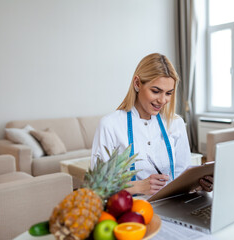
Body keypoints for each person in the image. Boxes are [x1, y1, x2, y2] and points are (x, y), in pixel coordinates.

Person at [91, 53, 213, 196]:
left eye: (168, 93)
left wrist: (198, 184)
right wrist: (138, 187)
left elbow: (182, 175)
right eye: (156, 91)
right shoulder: (110, 125)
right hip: (131, 210)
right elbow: (97, 186)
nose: (162, 100)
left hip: (171, 206)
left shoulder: (176, 123)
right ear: (137, 83)